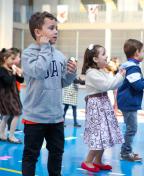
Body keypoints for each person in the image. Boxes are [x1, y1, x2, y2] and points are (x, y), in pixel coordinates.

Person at [21, 11, 77, 176]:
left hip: (56, 117)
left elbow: (61, 82)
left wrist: (71, 74)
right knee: (31, 156)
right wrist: (45, 48)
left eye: (56, 28)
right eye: (51, 28)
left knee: (56, 154)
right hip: (35, 117)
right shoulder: (28, 54)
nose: (56, 31)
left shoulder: (59, 55)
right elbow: (38, 71)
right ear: (38, 32)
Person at [80, 44, 125, 173]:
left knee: (105, 133)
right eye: (103, 54)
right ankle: (88, 161)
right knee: (98, 134)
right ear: (95, 59)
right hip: (97, 106)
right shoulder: (91, 73)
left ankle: (98, 161)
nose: (107, 57)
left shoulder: (101, 71)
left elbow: (111, 83)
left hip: (103, 103)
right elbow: (107, 85)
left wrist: (118, 76)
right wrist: (120, 75)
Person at [117, 39, 144, 161]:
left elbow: (134, 82)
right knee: (132, 128)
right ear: (137, 52)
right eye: (142, 51)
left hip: (127, 101)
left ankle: (126, 150)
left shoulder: (127, 65)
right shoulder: (133, 68)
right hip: (129, 102)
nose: (143, 53)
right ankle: (126, 152)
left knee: (130, 128)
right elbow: (137, 85)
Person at [0, 48, 24, 143]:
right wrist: (14, 72)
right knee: (17, 114)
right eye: (12, 59)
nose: (14, 61)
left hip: (13, 95)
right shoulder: (2, 70)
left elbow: (21, 80)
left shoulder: (10, 68)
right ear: (5, 58)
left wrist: (18, 73)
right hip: (6, 97)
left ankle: (1, 134)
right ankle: (11, 136)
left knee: (6, 115)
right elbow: (8, 82)